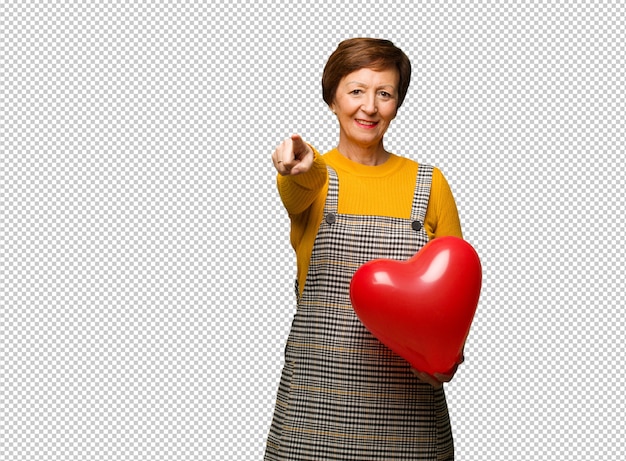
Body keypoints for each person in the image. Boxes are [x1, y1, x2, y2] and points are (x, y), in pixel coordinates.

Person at [265, 38, 464, 461]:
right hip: (313, 410)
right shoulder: (311, 176)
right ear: (332, 98)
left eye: (385, 93)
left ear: (397, 103)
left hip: (410, 418)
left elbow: (455, 293)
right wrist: (300, 163)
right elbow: (304, 179)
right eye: (356, 91)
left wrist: (444, 360)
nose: (369, 107)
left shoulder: (430, 185)